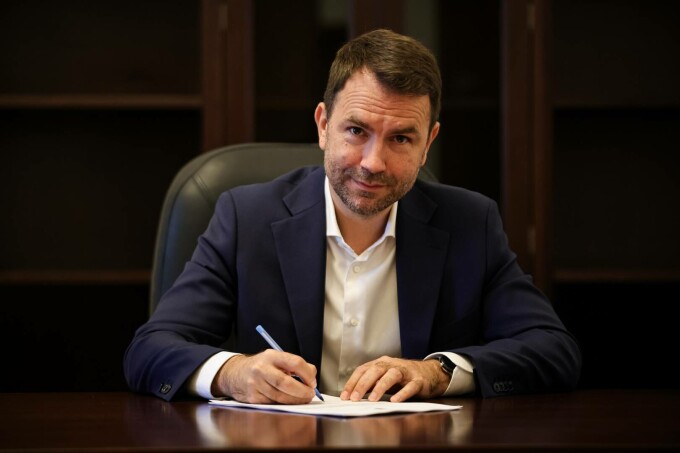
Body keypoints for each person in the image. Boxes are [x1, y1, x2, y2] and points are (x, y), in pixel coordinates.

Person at [124, 29, 581, 404]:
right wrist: (234, 373)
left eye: (401, 138)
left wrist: (439, 371)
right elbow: (150, 349)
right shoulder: (246, 217)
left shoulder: (470, 224)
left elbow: (553, 349)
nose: (373, 163)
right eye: (357, 130)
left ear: (428, 144)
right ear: (323, 125)